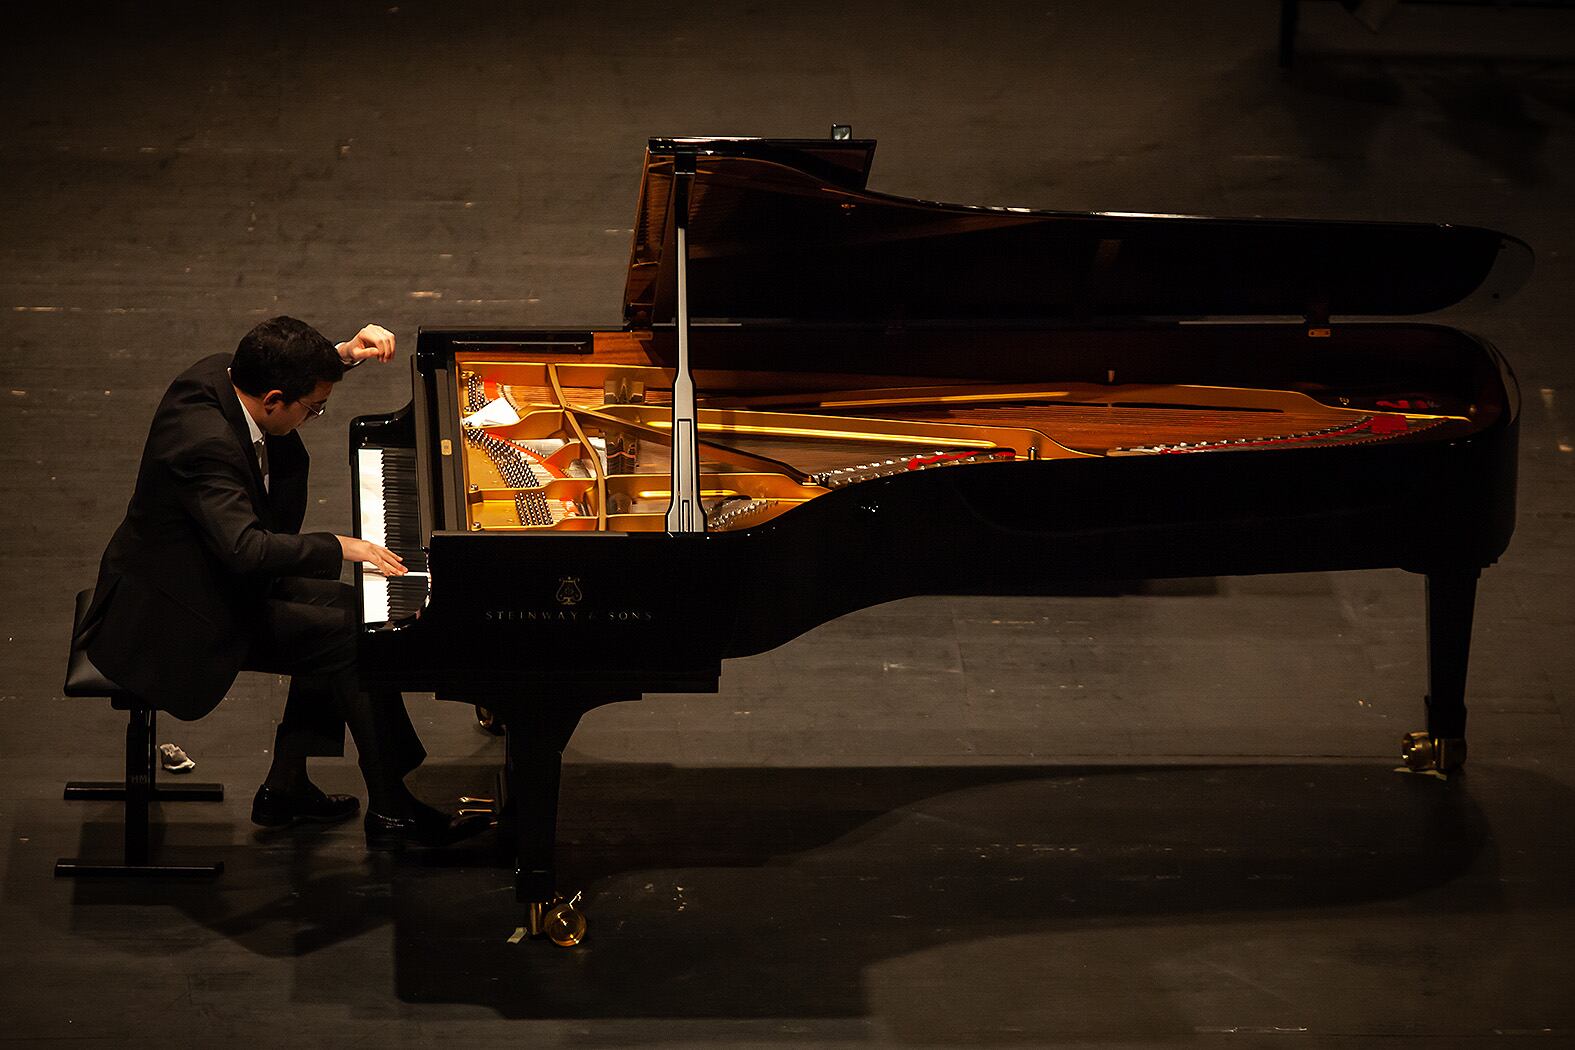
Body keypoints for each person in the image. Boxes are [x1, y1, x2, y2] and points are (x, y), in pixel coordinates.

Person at [78, 316, 482, 850]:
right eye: (313, 408)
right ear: (272, 399)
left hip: (199, 578)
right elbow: (246, 550)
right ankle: (391, 810)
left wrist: (339, 356)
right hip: (174, 612)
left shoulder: (215, 377)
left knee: (347, 611)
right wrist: (342, 545)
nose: (316, 415)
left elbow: (280, 381)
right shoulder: (205, 445)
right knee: (350, 639)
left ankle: (286, 786)